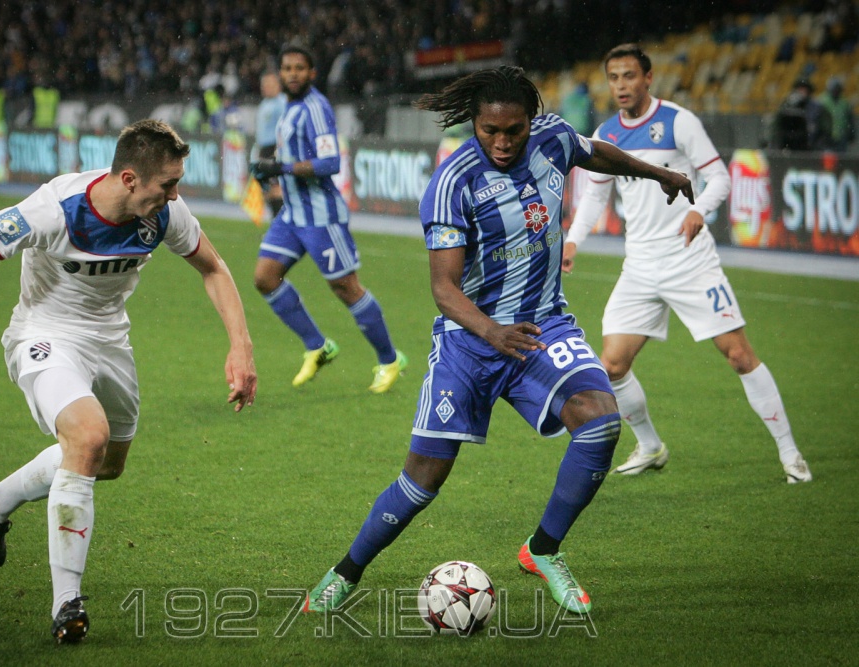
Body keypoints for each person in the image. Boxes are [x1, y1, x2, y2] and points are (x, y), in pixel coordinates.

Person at [303, 65, 695, 616]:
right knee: (423, 480)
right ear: (474, 123)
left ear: (532, 121)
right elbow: (444, 289)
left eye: (515, 130)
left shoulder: (554, 139)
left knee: (600, 422)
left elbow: (597, 153)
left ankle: (543, 550)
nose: (504, 142)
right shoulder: (453, 183)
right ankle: (345, 572)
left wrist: (657, 174)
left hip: (541, 326)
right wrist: (492, 332)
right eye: (491, 131)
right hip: (469, 342)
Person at [0, 119, 257, 643]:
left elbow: (213, 267)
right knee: (87, 437)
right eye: (167, 184)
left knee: (107, 464)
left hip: (110, 343)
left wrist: (241, 347)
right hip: (44, 336)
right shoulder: (54, 209)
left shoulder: (164, 213)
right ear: (128, 178)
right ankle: (67, 603)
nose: (175, 195)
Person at [563, 44, 811, 484]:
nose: (621, 85)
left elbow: (719, 177)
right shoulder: (606, 133)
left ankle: (791, 454)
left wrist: (699, 211)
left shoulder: (679, 122)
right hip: (640, 266)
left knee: (739, 356)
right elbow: (596, 195)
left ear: (648, 78)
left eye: (629, 76)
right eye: (614, 77)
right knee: (612, 366)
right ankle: (651, 446)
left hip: (690, 262)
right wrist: (573, 241)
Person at [250, 46, 406, 393]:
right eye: (287, 68)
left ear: (312, 73)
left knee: (346, 288)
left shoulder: (316, 108)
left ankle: (389, 360)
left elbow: (329, 162)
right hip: (293, 213)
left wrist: (282, 167)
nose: (292, 73)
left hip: (321, 216)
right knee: (265, 277)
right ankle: (317, 346)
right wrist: (269, 171)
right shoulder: (290, 107)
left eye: (299, 68)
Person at [253, 71, 287, 216]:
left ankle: (279, 221)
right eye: (264, 84)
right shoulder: (264, 103)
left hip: (274, 148)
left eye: (269, 84)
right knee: (266, 189)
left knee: (276, 188)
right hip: (264, 149)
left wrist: (279, 151)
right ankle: (276, 220)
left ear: (278, 85)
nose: (265, 87)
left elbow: (285, 129)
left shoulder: (282, 102)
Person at [771, 79, 829, 151]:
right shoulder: (787, 104)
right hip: (789, 145)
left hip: (810, 145)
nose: (802, 92)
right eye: (800, 89)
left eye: (805, 90)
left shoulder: (816, 106)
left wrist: (819, 142)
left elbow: (824, 127)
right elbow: (777, 125)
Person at [818, 76, 855, 153]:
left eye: (837, 89)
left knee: (841, 157)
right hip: (825, 137)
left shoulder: (844, 102)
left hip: (841, 137)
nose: (836, 91)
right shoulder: (822, 101)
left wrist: (851, 134)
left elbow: (849, 120)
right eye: (835, 89)